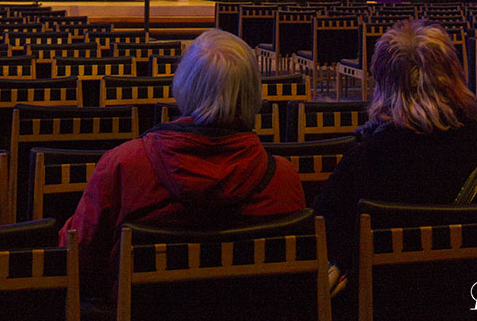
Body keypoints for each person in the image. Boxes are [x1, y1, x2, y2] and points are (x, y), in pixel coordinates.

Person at [59, 28, 306, 302]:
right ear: (253, 94)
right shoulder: (284, 178)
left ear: (183, 86)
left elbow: (75, 259)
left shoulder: (123, 166)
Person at [314, 18, 477, 278]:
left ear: (384, 84)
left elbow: (323, 237)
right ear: (454, 75)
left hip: (388, 302)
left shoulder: (366, 157)